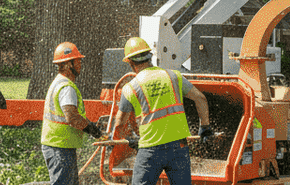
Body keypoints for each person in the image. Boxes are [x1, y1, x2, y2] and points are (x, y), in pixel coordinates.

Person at [112, 37, 212, 185]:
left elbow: (120, 123)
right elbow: (201, 98)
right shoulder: (173, 76)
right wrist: (205, 126)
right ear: (150, 57)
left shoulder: (131, 88)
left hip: (150, 150)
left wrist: (123, 139)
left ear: (131, 63)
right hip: (179, 147)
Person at [40, 42, 103, 185]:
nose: (80, 64)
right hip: (59, 147)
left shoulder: (59, 82)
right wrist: (93, 130)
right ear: (68, 64)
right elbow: (72, 117)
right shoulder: (67, 87)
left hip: (59, 145)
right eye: (78, 61)